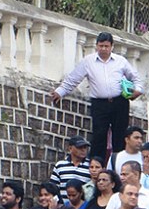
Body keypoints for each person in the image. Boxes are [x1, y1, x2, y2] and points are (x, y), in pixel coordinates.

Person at [51, 31, 144, 160]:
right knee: (99, 135)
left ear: (111, 46)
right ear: (96, 46)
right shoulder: (88, 61)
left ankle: (119, 165)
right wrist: (60, 92)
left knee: (120, 135)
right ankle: (97, 167)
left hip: (119, 102)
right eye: (101, 46)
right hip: (99, 104)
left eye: (106, 46)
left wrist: (137, 90)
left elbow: (135, 77)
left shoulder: (121, 61)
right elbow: (73, 79)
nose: (103, 49)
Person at [50, 136, 91, 201]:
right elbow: (53, 188)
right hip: (63, 207)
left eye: (85, 147)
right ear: (70, 148)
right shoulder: (60, 165)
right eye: (80, 147)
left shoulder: (91, 166)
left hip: (84, 208)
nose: (83, 150)